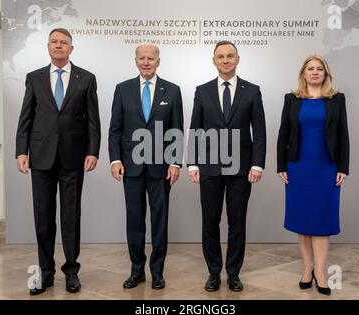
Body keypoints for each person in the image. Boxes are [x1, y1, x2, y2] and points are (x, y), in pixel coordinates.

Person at [15, 28, 101, 295]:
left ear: (71, 49)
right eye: (54, 42)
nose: (59, 46)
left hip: (74, 157)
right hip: (40, 156)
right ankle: (46, 272)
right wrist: (21, 151)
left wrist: (93, 151)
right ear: (48, 47)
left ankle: (71, 272)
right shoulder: (35, 78)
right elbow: (26, 117)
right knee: (43, 217)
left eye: (64, 43)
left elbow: (93, 120)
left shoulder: (86, 78)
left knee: (70, 217)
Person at [188, 41, 266, 292]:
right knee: (210, 222)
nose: (225, 60)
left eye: (230, 56)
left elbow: (260, 131)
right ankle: (213, 272)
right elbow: (195, 128)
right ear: (214, 61)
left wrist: (258, 164)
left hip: (241, 169)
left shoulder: (252, 91)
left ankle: (233, 273)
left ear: (238, 59)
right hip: (209, 167)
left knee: (237, 221)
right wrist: (192, 163)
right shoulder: (202, 91)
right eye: (220, 56)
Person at [108, 44, 184, 290]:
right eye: (142, 58)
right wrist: (115, 159)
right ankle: (137, 271)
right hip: (131, 166)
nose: (146, 62)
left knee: (160, 222)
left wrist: (175, 162)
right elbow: (115, 129)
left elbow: (176, 130)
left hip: (161, 168)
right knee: (134, 221)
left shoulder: (172, 90)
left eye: (151, 58)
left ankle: (157, 273)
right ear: (135, 61)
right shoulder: (122, 89)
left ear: (158, 61)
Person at [276, 54, 349, 296]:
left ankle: (321, 271)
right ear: (303, 73)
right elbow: (283, 134)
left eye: (319, 69)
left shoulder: (337, 99)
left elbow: (343, 135)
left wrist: (342, 167)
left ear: (325, 74)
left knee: (322, 221)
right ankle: (307, 269)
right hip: (298, 167)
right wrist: (281, 166)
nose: (315, 72)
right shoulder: (292, 99)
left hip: (326, 167)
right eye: (310, 68)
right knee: (303, 220)